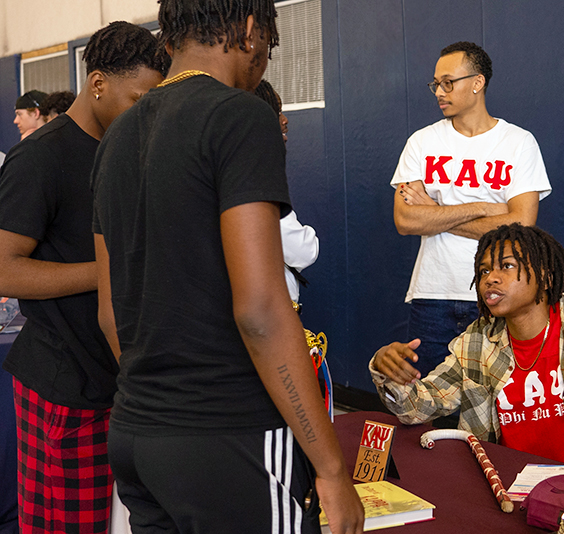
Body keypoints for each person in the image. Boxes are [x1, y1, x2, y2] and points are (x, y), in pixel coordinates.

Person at [91, 2, 363, 533]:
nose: (265, 59)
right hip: (229, 435)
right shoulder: (241, 115)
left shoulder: (116, 138)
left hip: (134, 434)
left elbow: (109, 312)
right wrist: (330, 468)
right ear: (248, 31)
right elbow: (262, 310)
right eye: (270, 45)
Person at [0, 22, 166, 534]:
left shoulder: (129, 148)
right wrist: (106, 272)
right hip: (64, 383)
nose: (146, 113)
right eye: (138, 98)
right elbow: (4, 267)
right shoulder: (42, 156)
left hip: (120, 378)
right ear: (97, 84)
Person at [370, 224, 564, 471]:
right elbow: (420, 407)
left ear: (544, 277)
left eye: (506, 266)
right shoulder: (476, 342)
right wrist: (392, 375)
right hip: (507, 490)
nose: (491, 278)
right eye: (484, 271)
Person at [391, 41, 552, 376]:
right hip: (432, 294)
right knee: (427, 400)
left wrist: (435, 214)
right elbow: (406, 220)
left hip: (500, 292)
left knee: (500, 400)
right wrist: (487, 208)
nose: (439, 91)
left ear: (477, 83)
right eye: (436, 83)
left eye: (449, 82)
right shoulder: (421, 143)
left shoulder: (519, 143)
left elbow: (521, 223)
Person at [255, 80, 317, 304]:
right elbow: (304, 250)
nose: (285, 120)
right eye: (277, 111)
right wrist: (308, 237)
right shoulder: (256, 177)